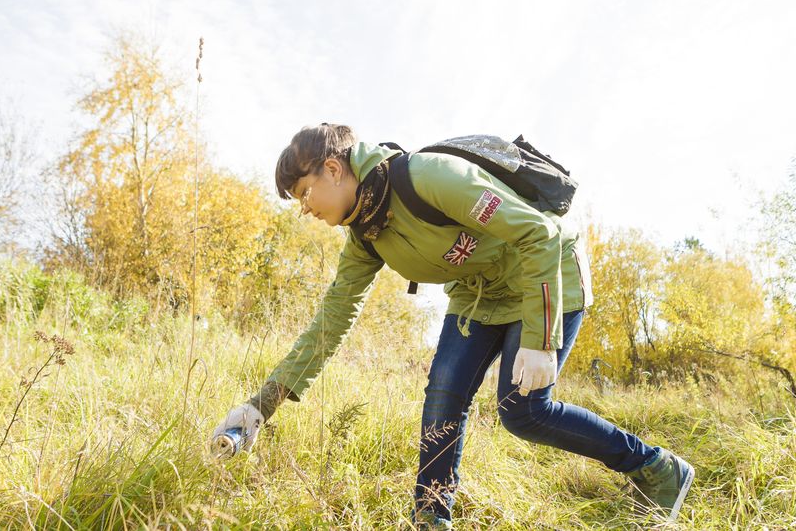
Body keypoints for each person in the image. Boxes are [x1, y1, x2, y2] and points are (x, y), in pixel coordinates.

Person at [212, 124, 694, 528]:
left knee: (524, 411)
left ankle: (655, 467)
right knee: (443, 397)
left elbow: (538, 233)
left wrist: (541, 340)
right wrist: (261, 406)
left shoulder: (429, 177)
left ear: (333, 169)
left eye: (303, 193)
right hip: (479, 296)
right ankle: (431, 516)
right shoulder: (365, 234)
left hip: (544, 276)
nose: (304, 208)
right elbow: (331, 321)